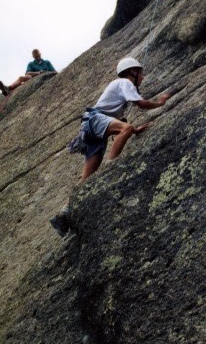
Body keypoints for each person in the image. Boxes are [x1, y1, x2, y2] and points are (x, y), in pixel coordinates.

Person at [50, 57, 171, 236]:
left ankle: (63, 213)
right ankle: (110, 168)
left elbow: (119, 124)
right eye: (141, 73)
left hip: (91, 125)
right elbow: (141, 105)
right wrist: (161, 102)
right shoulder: (124, 82)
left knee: (87, 177)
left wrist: (134, 131)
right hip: (96, 120)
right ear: (133, 72)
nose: (143, 77)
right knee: (126, 129)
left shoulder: (118, 90)